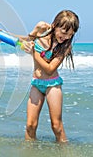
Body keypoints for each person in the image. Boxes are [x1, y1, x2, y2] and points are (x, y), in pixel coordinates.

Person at [19, 10, 79, 143]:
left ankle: (65, 152)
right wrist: (3, 35)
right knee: (30, 125)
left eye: (70, 35)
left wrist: (33, 52)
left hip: (53, 84)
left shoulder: (65, 47)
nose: (66, 37)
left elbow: (50, 69)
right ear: (54, 25)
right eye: (64, 32)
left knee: (56, 126)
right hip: (36, 82)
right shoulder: (41, 28)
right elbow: (27, 40)